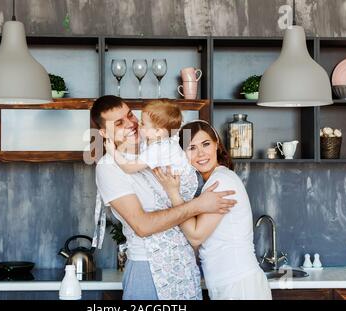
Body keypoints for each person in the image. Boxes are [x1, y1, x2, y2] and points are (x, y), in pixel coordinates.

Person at [91, 96, 237, 300]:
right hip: (148, 268)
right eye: (119, 123)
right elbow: (142, 226)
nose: (131, 124)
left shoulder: (158, 146)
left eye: (130, 115)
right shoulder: (108, 167)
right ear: (104, 133)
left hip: (184, 265)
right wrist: (198, 205)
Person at [154, 120, 272, 300]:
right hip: (229, 283)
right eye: (191, 148)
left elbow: (195, 236)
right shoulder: (214, 181)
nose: (201, 153)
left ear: (216, 144)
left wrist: (173, 193)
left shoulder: (221, 181)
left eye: (206, 144)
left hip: (239, 284)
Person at [105, 101, 198, 202]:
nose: (138, 125)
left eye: (143, 124)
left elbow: (129, 168)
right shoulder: (155, 137)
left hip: (182, 189)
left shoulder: (159, 148)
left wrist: (113, 152)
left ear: (158, 131)